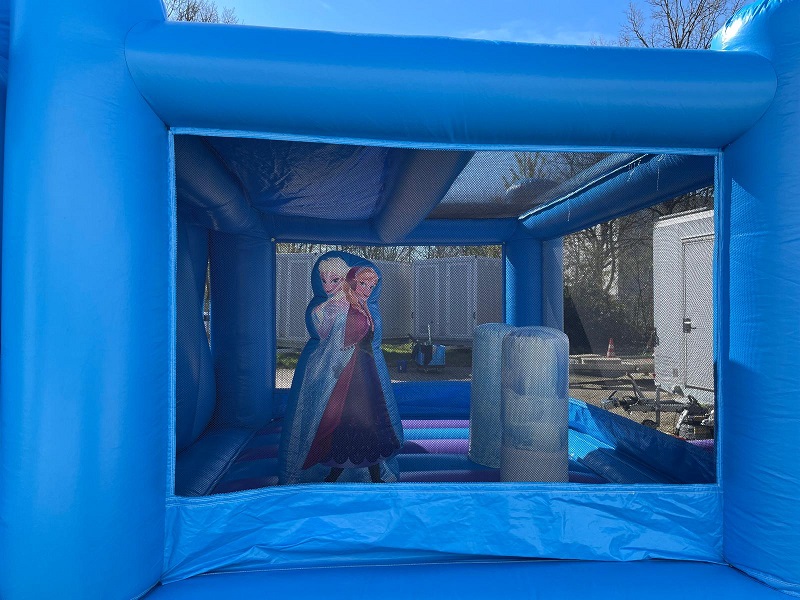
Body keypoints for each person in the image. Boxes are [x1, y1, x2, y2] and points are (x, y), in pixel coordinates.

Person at [302, 266, 402, 483]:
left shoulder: (362, 306)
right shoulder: (344, 305)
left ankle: (372, 475)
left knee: (370, 420)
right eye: (363, 284)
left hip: (366, 371)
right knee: (350, 418)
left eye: (371, 286)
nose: (367, 289)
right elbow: (330, 333)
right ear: (353, 282)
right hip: (352, 372)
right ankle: (336, 474)